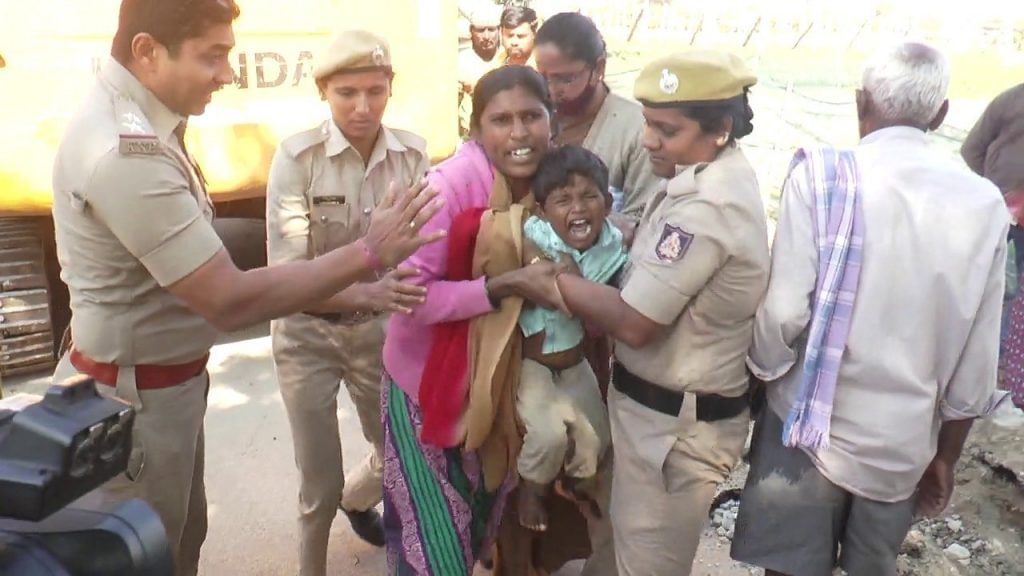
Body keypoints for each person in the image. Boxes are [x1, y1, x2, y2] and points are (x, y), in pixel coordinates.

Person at [49, 2, 443, 574]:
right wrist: (368, 255)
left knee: (182, 541)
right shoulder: (124, 150)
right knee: (148, 556)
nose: (227, 73)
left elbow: (196, 241)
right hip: (135, 403)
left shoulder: (148, 128)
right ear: (146, 51)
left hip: (163, 389)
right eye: (213, 56)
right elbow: (228, 300)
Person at [731, 42, 1008, 576]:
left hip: (807, 426)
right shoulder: (983, 204)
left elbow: (785, 312)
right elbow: (977, 362)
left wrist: (763, 378)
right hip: (903, 445)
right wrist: (946, 456)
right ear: (941, 115)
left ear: (861, 103)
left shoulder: (823, 177)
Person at [516, 50, 769, 575]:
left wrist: (553, 276)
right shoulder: (701, 174)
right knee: (614, 546)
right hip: (654, 414)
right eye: (649, 124)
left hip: (672, 432)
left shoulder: (707, 206)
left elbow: (634, 321)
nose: (649, 140)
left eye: (666, 130)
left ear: (720, 128)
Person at [265, 29, 430, 575]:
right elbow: (288, 274)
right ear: (323, 92)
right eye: (347, 92)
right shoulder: (298, 158)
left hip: (380, 333)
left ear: (390, 89)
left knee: (400, 461)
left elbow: (425, 245)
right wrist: (370, 289)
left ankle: (380, 531)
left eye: (375, 91)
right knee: (318, 484)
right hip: (307, 336)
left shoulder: (412, 154)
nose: (362, 107)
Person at [515, 145, 625, 532]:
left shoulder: (614, 244)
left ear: (608, 203)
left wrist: (576, 282)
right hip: (536, 363)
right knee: (547, 437)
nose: (577, 209)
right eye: (563, 200)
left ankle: (577, 482)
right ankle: (533, 490)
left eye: (588, 197)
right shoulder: (539, 234)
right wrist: (541, 266)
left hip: (576, 361)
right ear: (544, 210)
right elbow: (523, 239)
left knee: (598, 434)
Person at [534, 12, 660, 218]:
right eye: (543, 77)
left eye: (565, 79)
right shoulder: (536, 119)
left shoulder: (636, 129)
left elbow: (643, 217)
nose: (552, 90)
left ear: (598, 67)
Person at [458, 3, 505, 137]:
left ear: (499, 31)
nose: (486, 36)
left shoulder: (507, 58)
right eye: (480, 30)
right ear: (471, 31)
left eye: (491, 29)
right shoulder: (461, 62)